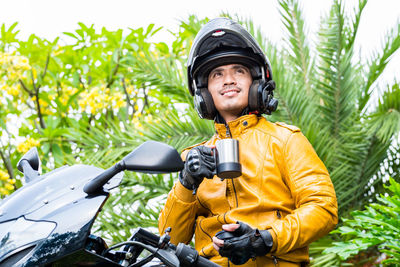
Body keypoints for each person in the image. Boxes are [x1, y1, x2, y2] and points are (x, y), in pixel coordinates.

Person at [158, 17, 338, 267]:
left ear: (257, 82)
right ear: (203, 93)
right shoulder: (193, 158)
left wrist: (264, 239)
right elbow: (169, 237)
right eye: (217, 74)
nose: (228, 80)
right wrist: (186, 182)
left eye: (238, 71)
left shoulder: (285, 140)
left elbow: (322, 209)